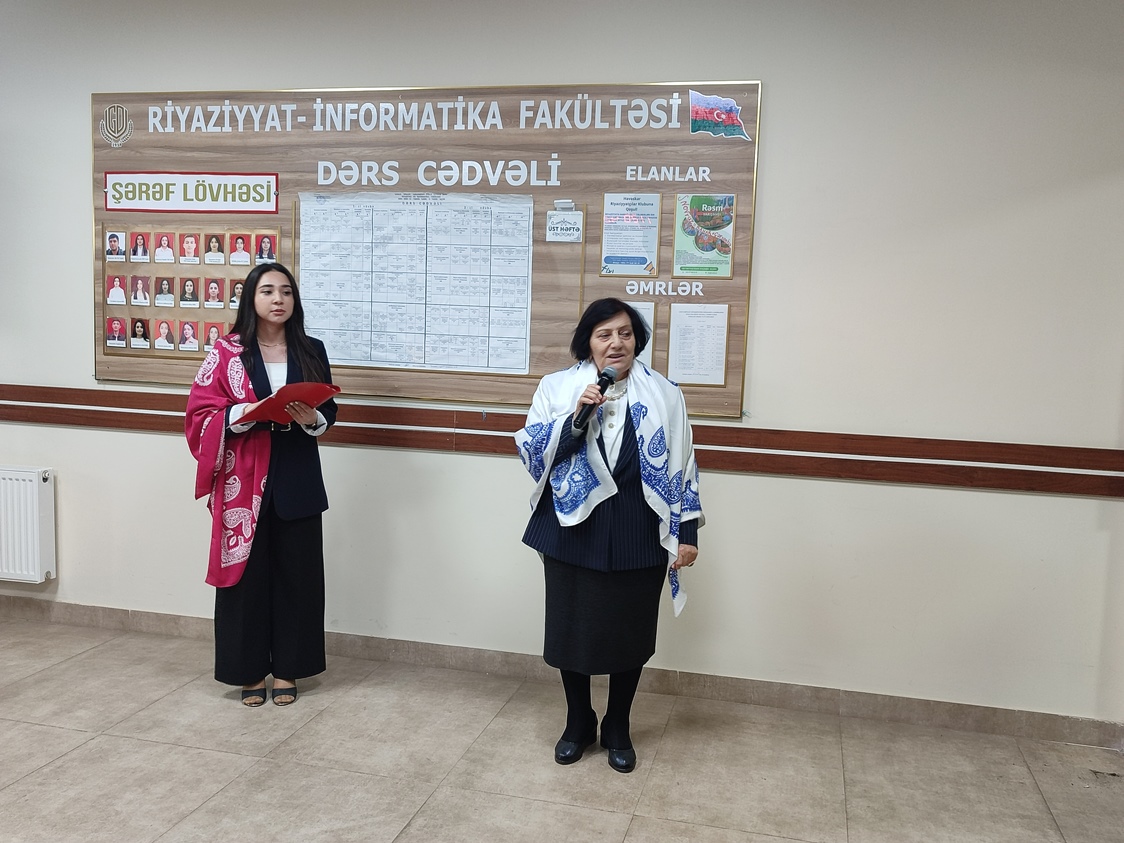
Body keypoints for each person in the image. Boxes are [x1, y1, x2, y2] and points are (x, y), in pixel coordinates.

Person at [515, 298, 703, 774]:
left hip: (640, 530)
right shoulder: (557, 387)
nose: (616, 343)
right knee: (571, 631)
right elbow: (534, 453)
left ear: (636, 340)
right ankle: (578, 721)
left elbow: (683, 462)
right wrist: (576, 418)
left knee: (630, 633)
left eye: (625, 333)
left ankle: (618, 723)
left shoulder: (665, 393)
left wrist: (686, 532)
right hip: (571, 530)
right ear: (588, 343)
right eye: (604, 334)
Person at [185, 262, 337, 708]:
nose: (278, 299)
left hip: (297, 477)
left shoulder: (311, 349)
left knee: (298, 579)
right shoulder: (226, 351)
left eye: (286, 291)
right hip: (243, 480)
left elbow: (329, 413)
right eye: (268, 291)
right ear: (251, 298)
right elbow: (199, 414)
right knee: (245, 582)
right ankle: (248, 672)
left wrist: (313, 419)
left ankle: (289, 669)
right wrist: (243, 413)